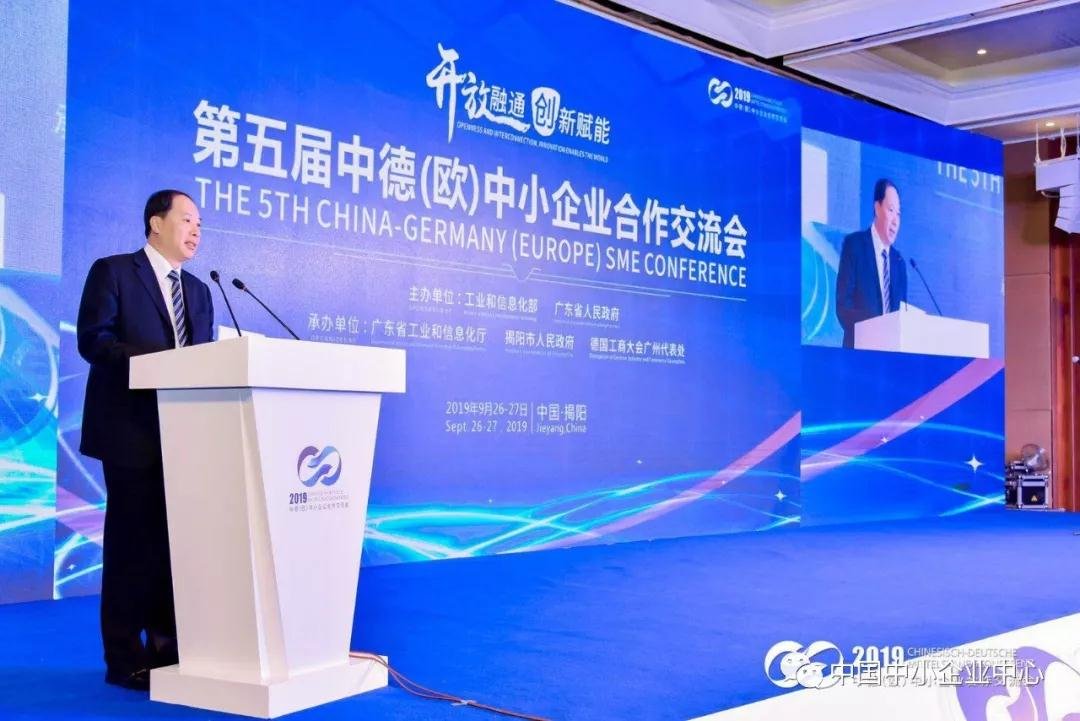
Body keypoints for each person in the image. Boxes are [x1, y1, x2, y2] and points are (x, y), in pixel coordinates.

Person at [77, 190, 214, 690]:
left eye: (200, 223)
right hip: (130, 431)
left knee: (174, 544)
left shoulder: (199, 291)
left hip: (184, 433)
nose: (196, 230)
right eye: (187, 219)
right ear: (156, 223)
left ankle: (166, 644)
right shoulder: (114, 271)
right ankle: (123, 657)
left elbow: (205, 360)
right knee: (131, 543)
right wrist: (157, 365)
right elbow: (94, 340)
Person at [835, 178, 908, 349]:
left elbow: (903, 316)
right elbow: (843, 306)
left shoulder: (899, 263)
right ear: (877, 208)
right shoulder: (854, 246)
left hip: (891, 355)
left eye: (899, 214)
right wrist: (876, 330)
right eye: (891, 210)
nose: (895, 221)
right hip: (860, 353)